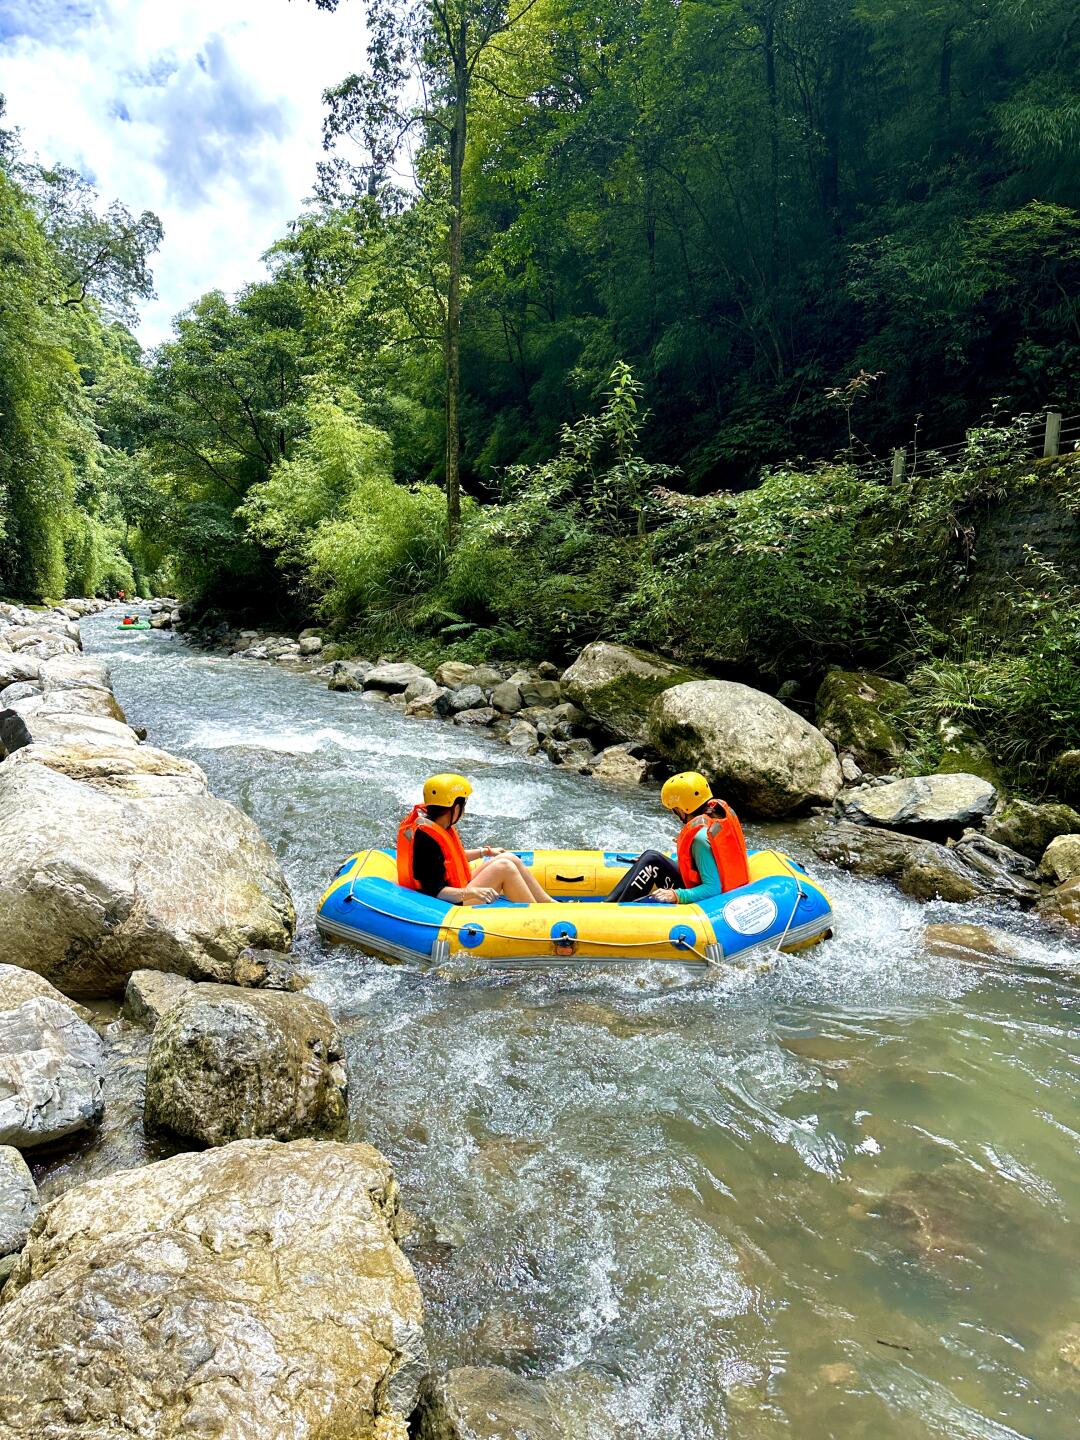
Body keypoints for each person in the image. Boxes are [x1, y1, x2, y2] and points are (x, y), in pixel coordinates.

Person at [397, 773, 553, 905]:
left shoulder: (437, 825)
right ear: (455, 807)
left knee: (508, 858)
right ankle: (538, 916)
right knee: (504, 867)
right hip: (448, 902)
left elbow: (450, 858)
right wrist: (471, 892)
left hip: (457, 888)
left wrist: (484, 852)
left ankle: (549, 904)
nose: (463, 811)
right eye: (463, 805)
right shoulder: (425, 840)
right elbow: (435, 891)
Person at [604, 770, 750, 904]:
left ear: (682, 809)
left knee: (652, 860)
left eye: (674, 810)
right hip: (731, 887)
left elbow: (713, 889)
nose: (675, 814)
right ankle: (609, 905)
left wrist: (676, 895)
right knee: (650, 858)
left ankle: (612, 910)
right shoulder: (716, 817)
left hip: (709, 901)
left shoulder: (700, 839)